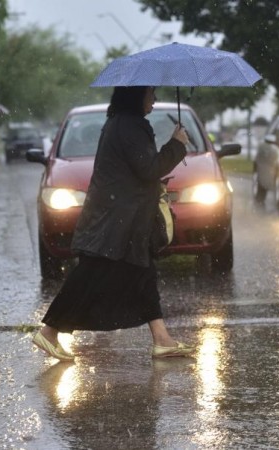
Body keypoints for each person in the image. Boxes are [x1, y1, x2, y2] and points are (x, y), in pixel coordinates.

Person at [32, 86, 193, 362]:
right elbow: (149, 168)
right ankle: (49, 331)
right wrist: (176, 144)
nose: (153, 99)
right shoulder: (130, 127)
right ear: (136, 95)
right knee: (91, 274)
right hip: (116, 220)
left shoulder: (123, 123)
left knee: (143, 273)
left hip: (124, 218)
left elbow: (138, 171)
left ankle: (162, 339)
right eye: (150, 93)